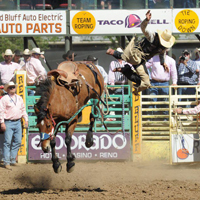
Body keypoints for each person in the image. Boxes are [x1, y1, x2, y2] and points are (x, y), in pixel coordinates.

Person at [106, 10, 175, 95]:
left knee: (146, 83)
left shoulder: (163, 47)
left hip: (142, 60)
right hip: (136, 52)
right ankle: (114, 53)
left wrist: (163, 63)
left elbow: (162, 53)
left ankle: (125, 71)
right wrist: (146, 20)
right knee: (134, 59)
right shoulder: (152, 37)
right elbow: (143, 28)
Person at [0, 81, 28, 170]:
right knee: (7, 142)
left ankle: (12, 160)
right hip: (8, 122)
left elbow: (23, 109)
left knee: (18, 141)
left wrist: (26, 120)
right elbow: (1, 111)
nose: (12, 88)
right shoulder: (4, 99)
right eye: (10, 87)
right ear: (7, 89)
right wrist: (2, 122)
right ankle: (7, 162)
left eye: (13, 87)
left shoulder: (19, 98)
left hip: (18, 122)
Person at [146, 53, 177, 118]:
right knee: (152, 100)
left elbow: (174, 72)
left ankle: (165, 118)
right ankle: (150, 118)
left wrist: (174, 82)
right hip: (154, 82)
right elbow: (146, 65)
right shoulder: (153, 58)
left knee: (165, 101)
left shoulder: (170, 60)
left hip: (164, 83)